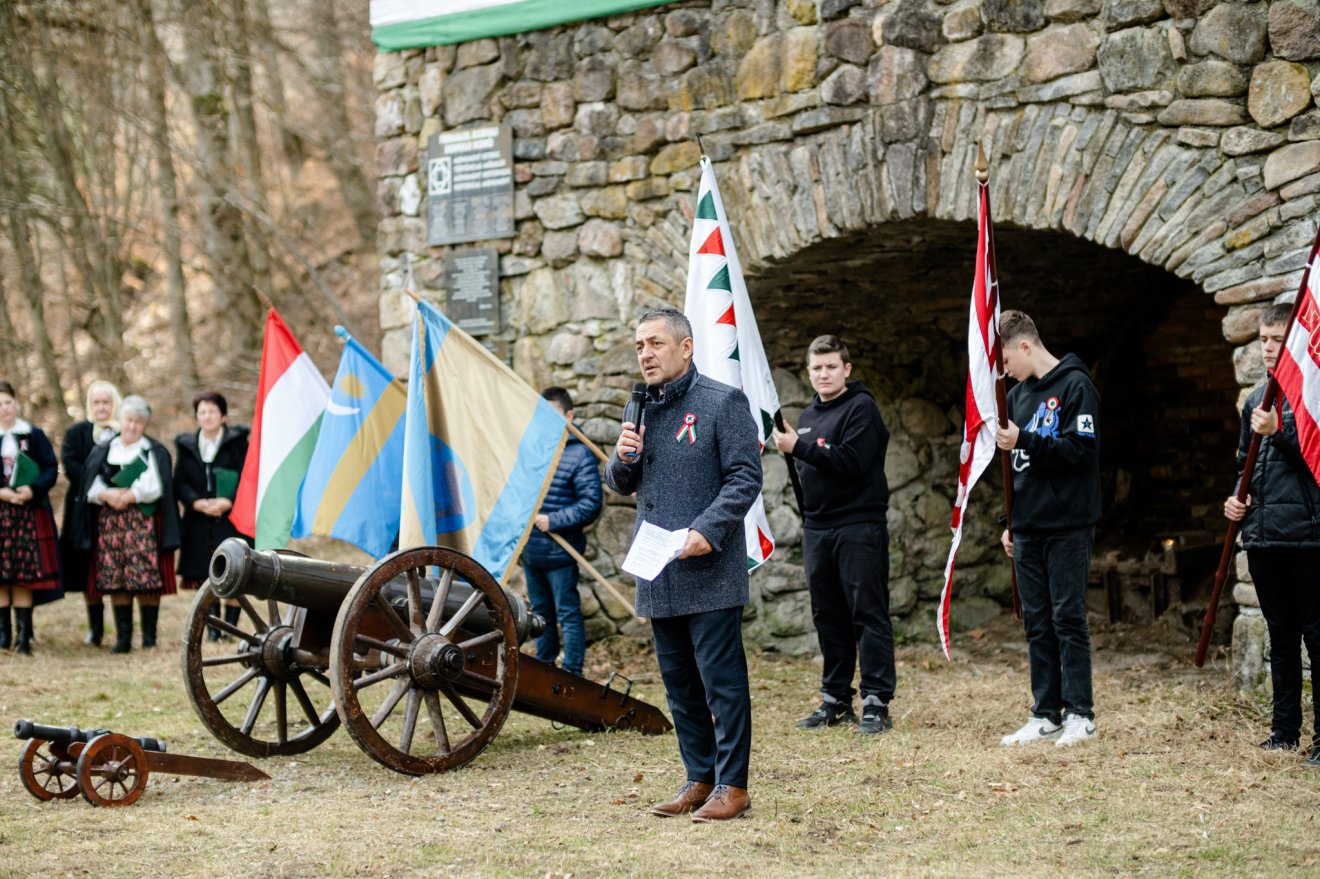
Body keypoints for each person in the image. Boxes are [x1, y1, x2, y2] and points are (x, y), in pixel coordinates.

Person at [606, 306, 762, 823]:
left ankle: (732, 785)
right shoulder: (640, 410)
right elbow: (620, 483)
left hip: (707, 567)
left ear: (686, 346)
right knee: (679, 683)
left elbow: (745, 477)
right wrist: (623, 457)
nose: (645, 354)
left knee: (721, 682)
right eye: (639, 346)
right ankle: (699, 777)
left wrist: (707, 530)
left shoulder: (723, 402)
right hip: (659, 570)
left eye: (654, 343)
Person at [771, 335, 894, 735]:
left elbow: (853, 463)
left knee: (867, 613)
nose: (823, 374)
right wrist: (797, 448)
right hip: (818, 529)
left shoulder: (862, 409)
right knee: (829, 616)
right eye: (816, 368)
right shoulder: (807, 416)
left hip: (859, 526)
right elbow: (809, 469)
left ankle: (876, 701)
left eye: (830, 367)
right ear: (809, 373)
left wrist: (799, 447)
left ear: (847, 369)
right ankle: (835, 700)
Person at [995, 310, 1101, 748]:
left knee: (1067, 616)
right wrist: (1009, 521)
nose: (1004, 371)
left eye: (1005, 361)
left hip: (1068, 522)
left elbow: (1080, 451)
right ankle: (1046, 712)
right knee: (1036, 621)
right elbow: (1016, 468)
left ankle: (1081, 712)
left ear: (1025, 345)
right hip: (1029, 525)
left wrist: (1026, 439)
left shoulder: (1077, 385)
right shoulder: (1017, 396)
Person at [1223, 302, 1320, 763]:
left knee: (1317, 637)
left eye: (1277, 340)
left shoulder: (1314, 398)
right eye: (1262, 338)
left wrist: (1282, 429)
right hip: (1263, 535)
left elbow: (1315, 462)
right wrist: (1236, 501)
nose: (1267, 347)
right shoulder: (1254, 401)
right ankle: (1284, 733)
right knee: (1280, 635)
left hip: (1307, 535)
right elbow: (1246, 465)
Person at [74, 395, 181, 653]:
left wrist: (131, 495)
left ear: (145, 425)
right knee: (116, 578)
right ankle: (123, 639)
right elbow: (90, 484)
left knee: (145, 578)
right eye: (129, 420)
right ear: (120, 420)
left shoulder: (152, 450)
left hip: (142, 523)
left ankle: (149, 638)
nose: (133, 426)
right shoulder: (103, 450)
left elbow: (157, 486)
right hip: (110, 524)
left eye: (139, 422)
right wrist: (108, 495)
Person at [520, 387, 602, 676]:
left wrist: (553, 520)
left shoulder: (580, 453)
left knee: (567, 614)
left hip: (561, 551)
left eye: (555, 417)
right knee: (540, 616)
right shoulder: (533, 449)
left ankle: (571, 674)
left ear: (570, 416)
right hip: (532, 552)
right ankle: (545, 672)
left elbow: (591, 503)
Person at [174, 391, 250, 640]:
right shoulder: (186, 445)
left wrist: (228, 501)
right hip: (198, 518)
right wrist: (196, 503)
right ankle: (213, 629)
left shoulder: (238, 442)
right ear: (197, 417)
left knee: (235, 569)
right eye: (202, 412)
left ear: (223, 415)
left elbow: (246, 474)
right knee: (205, 572)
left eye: (212, 411)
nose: (207, 416)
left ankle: (230, 628)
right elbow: (180, 480)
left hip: (231, 516)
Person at [0, 381, 64, 654]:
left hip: (29, 512)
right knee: (2, 575)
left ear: (16, 404)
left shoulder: (33, 434)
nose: (3, 409)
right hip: (1, 512)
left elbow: (51, 467)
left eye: (7, 402)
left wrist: (32, 489)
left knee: (24, 574)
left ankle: (23, 638)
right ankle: (3, 637)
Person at [59, 379, 120, 646]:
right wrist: (96, 488)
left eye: (106, 402)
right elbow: (71, 466)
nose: (101, 407)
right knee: (87, 569)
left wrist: (112, 490)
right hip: (83, 511)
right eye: (96, 402)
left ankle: (122, 629)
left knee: (115, 568)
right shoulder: (77, 434)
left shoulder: (123, 432)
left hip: (115, 512)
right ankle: (95, 629)